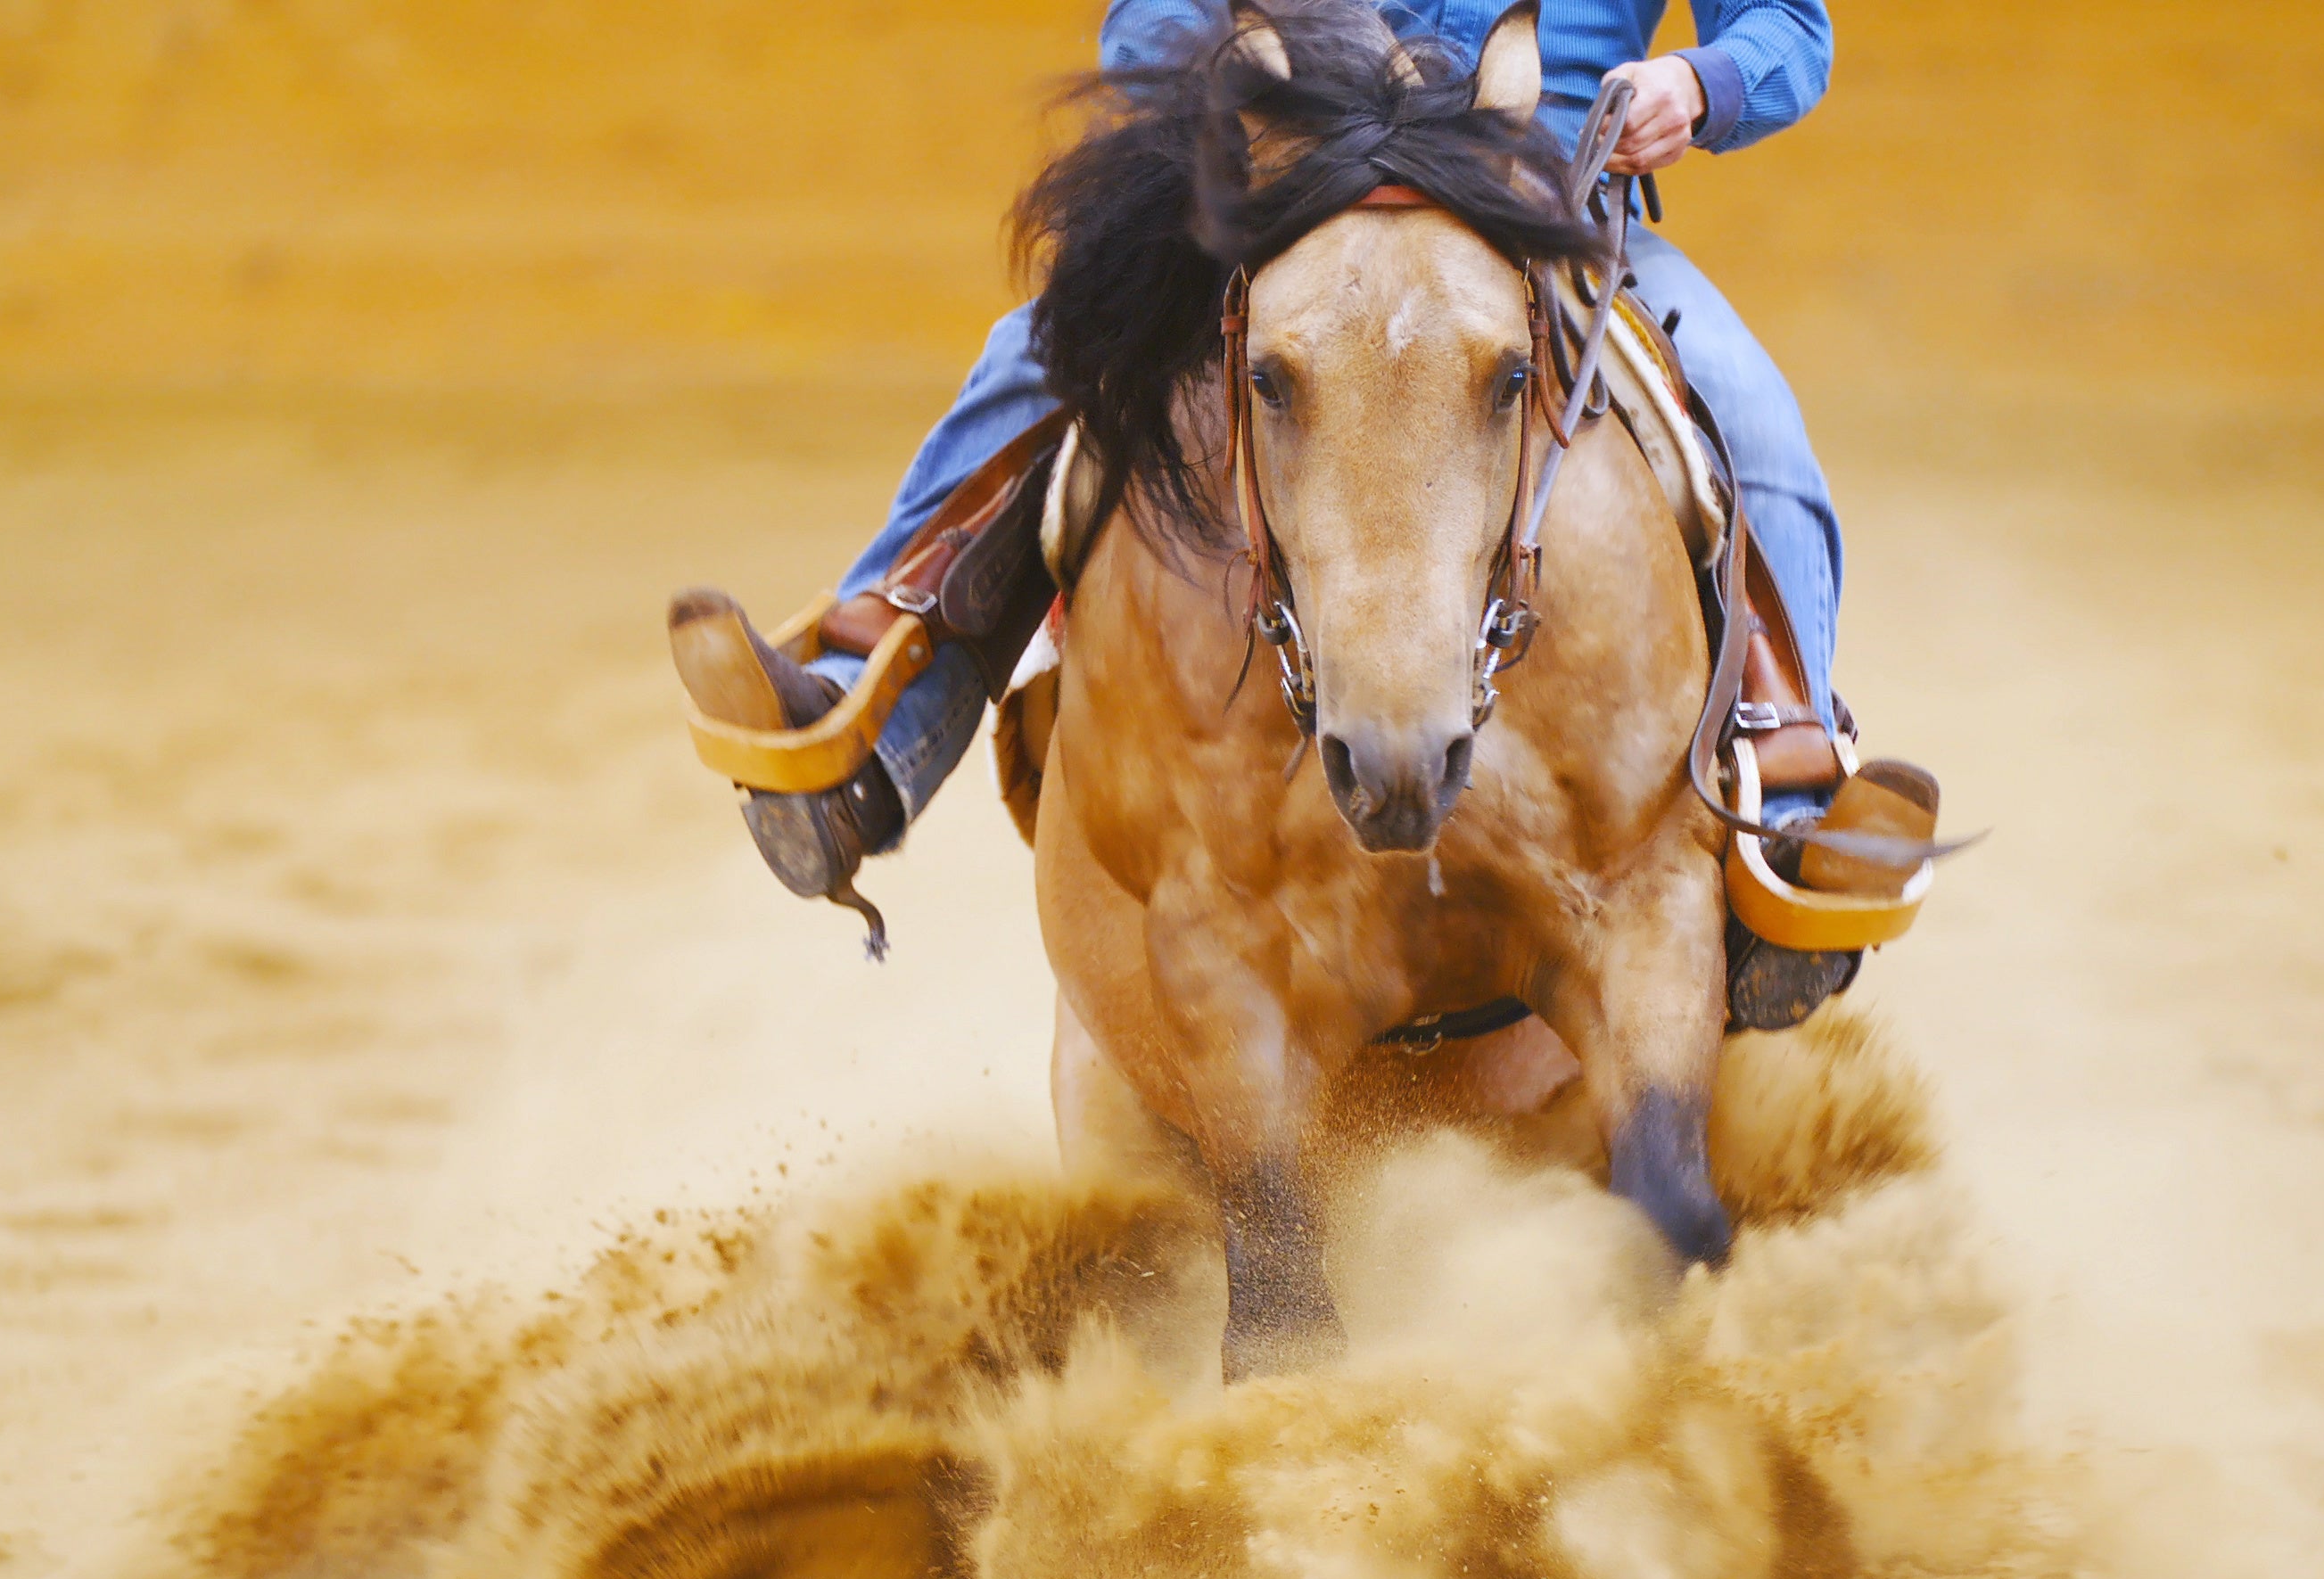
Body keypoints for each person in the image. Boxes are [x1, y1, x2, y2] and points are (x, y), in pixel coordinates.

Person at [715, 0, 1842, 908]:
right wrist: (1246, 84)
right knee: (1045, 352)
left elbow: (1790, 25)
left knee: (1750, 419)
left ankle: (1782, 796)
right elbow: (1147, 21)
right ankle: (872, 726)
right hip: (1303, 198)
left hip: (1548, 209)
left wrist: (1698, 83)